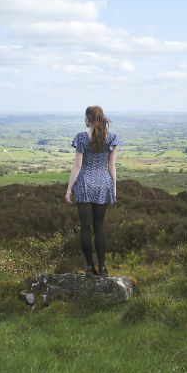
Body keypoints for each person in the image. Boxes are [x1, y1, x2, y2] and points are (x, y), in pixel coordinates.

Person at [64, 106, 122, 277]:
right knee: (99, 227)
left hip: (85, 184)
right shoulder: (111, 138)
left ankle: (90, 267)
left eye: (86, 117)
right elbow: (111, 165)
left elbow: (77, 166)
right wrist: (114, 187)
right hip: (103, 184)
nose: (84, 120)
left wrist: (69, 190)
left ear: (90, 118)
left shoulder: (82, 137)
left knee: (85, 227)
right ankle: (103, 267)